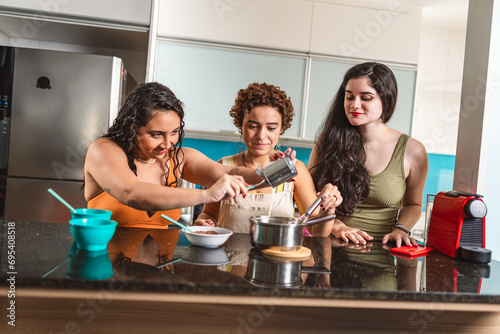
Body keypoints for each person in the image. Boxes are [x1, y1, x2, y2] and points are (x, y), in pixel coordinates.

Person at [85, 82, 282, 229]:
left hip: (158, 277)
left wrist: (278, 171)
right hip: (105, 273)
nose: (167, 143)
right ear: (132, 127)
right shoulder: (104, 149)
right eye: (156, 135)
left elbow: (230, 172)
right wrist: (206, 195)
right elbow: (132, 193)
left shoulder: (178, 158)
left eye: (174, 132)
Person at [195, 82, 342, 236]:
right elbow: (209, 214)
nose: (261, 136)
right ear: (240, 124)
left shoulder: (295, 170)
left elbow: (318, 231)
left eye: (271, 128)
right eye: (253, 126)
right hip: (230, 259)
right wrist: (204, 222)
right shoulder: (224, 166)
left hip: (276, 258)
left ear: (281, 128)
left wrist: (329, 208)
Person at [309, 62, 428, 247]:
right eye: (349, 97)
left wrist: (401, 229)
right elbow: (309, 197)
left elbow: (413, 204)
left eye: (366, 98)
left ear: (386, 100)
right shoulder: (327, 141)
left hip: (381, 252)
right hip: (329, 249)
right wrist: (337, 226)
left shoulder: (413, 151)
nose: (354, 104)